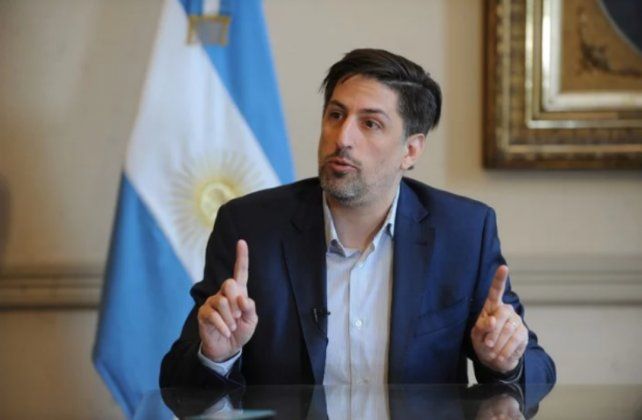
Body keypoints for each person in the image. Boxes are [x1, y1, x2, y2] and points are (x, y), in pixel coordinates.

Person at [160, 48, 556, 388]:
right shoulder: (250, 226)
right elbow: (177, 380)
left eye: (370, 123)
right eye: (336, 115)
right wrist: (216, 356)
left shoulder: (463, 232)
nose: (342, 138)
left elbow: (538, 369)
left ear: (411, 150)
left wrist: (504, 362)